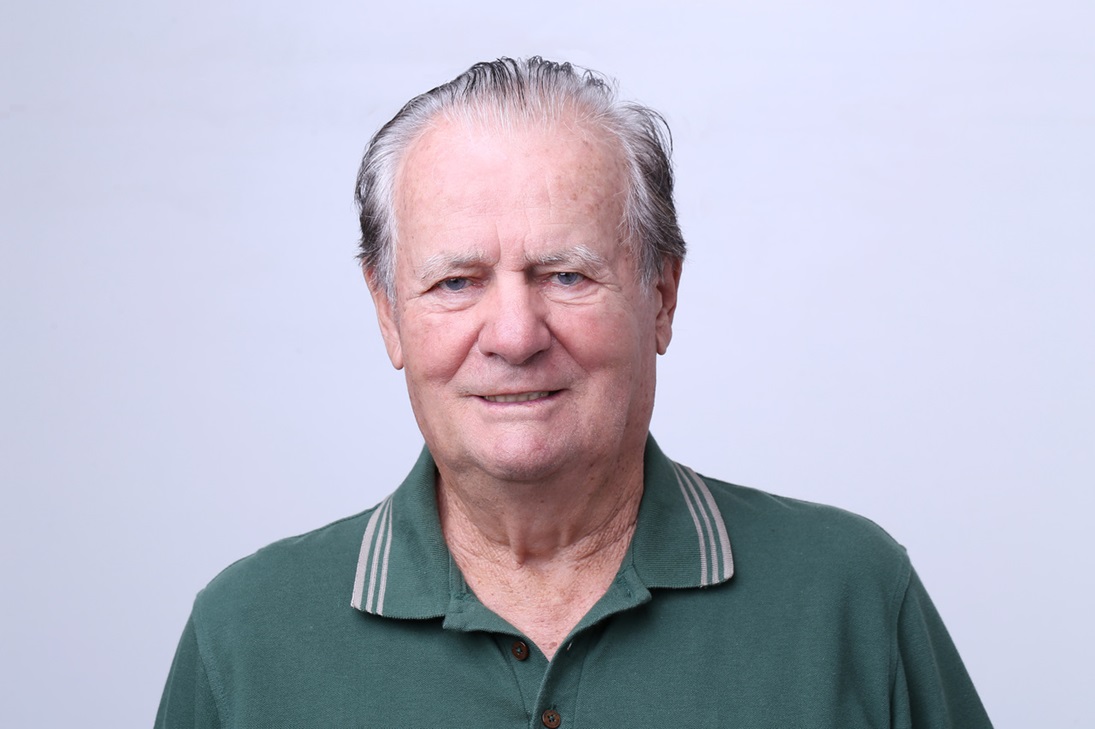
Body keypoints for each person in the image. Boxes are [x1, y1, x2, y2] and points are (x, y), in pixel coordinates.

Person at [156, 57, 993, 728]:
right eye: (455, 282)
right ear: (388, 316)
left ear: (660, 296)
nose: (514, 335)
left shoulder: (849, 598)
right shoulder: (246, 636)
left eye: (565, 274)